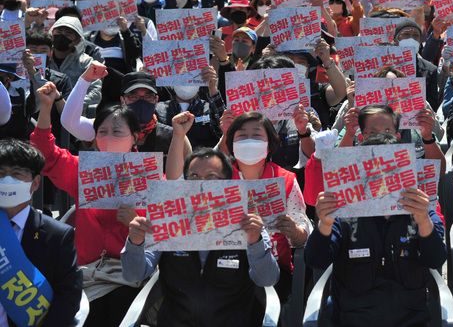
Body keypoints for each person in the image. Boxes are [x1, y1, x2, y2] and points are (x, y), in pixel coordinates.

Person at [31, 80, 172, 326]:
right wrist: (45, 108)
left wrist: (136, 224)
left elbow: (162, 232)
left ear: (134, 138)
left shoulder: (152, 177)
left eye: (117, 132)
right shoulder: (83, 170)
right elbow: (45, 156)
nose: (108, 137)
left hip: (129, 277)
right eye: (102, 132)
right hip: (85, 276)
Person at [121, 147, 280, 327]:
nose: (201, 184)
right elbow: (133, 275)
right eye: (193, 177)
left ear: (227, 182)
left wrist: (255, 243)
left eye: (211, 177)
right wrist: (135, 243)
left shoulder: (247, 222)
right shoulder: (166, 221)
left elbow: (268, 279)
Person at [306, 132, 447, 327]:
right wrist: (325, 223)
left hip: (410, 320)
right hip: (351, 320)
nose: (382, 177)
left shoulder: (422, 212)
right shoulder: (344, 215)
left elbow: (436, 259)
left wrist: (423, 221)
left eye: (390, 169)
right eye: (373, 169)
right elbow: (316, 260)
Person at [194, 111, 311, 302]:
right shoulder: (217, 180)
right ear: (231, 144)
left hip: (271, 272)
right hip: (224, 268)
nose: (249, 141)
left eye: (257, 135)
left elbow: (301, 237)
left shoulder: (286, 180)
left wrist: (295, 232)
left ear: (269, 144)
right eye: (241, 135)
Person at [0, 140, 82, 327]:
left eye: (17, 174)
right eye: (1, 174)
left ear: (35, 183)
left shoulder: (57, 236)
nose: (7, 180)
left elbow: (68, 298)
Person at [155, 67, 225, 148]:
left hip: (202, 159)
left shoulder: (210, 109)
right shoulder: (158, 109)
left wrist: (212, 88)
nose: (186, 79)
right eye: (181, 75)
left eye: (192, 75)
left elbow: (223, 133)